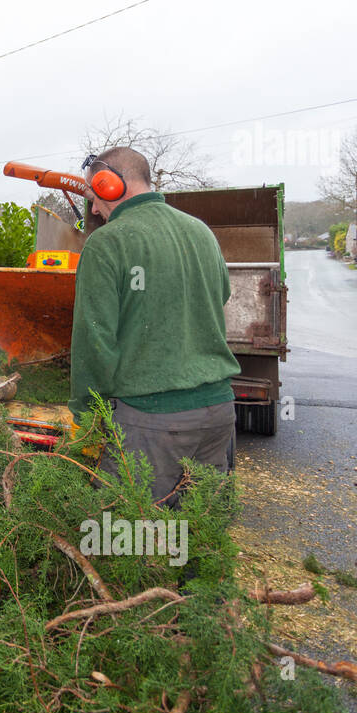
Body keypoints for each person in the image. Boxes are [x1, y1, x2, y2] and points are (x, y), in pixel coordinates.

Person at [67, 147, 239, 509]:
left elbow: (94, 339)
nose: (94, 209)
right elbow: (220, 294)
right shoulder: (200, 231)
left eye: (93, 196)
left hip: (153, 422)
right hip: (218, 413)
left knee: (129, 538)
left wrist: (85, 416)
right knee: (198, 533)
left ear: (110, 184)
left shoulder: (107, 242)